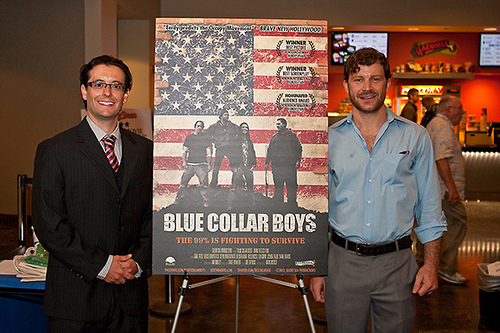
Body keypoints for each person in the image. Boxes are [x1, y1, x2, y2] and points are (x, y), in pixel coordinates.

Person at [310, 48, 447, 333]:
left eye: (375, 79)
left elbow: (431, 207)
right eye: (358, 79)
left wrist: (431, 265)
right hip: (342, 264)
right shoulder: (329, 140)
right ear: (346, 85)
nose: (367, 87)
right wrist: (317, 269)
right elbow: (319, 210)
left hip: (397, 265)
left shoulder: (415, 136)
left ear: (387, 82)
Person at [32, 55, 152, 332]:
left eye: (116, 86)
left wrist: (138, 262)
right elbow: (50, 224)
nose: (107, 92)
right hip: (75, 300)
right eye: (98, 84)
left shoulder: (146, 151)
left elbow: (153, 215)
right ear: (84, 91)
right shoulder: (55, 150)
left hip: (131, 299)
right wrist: (102, 265)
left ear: (126, 94)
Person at [426, 95, 467, 284]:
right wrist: (452, 189)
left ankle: (424, 263)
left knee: (433, 225)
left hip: (434, 189)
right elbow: (441, 159)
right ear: (448, 109)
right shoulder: (443, 128)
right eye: (459, 108)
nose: (462, 112)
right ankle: (446, 267)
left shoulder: (435, 125)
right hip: (444, 191)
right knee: (457, 223)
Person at [174, 120, 212, 207]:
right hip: (190, 164)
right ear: (195, 127)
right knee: (183, 183)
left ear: (203, 128)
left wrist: (209, 164)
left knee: (204, 185)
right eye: (198, 126)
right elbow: (184, 151)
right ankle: (178, 201)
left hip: (202, 165)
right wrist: (184, 162)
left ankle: (206, 203)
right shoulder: (189, 138)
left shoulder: (206, 138)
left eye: (201, 126)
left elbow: (209, 152)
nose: (199, 128)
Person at [265, 118, 302, 206]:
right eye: (276, 124)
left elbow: (298, 148)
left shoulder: (292, 136)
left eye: (279, 124)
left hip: (289, 166)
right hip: (277, 166)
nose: (277, 126)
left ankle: (292, 203)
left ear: (284, 125)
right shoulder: (274, 138)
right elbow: (270, 151)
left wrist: (298, 160)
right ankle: (279, 202)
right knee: (278, 184)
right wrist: (267, 162)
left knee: (291, 185)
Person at [206, 109, 241, 188]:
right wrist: (214, 141)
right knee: (216, 167)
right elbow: (206, 133)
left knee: (234, 167)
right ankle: (213, 185)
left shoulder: (233, 126)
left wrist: (234, 142)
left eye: (228, 115)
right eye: (225, 115)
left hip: (230, 149)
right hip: (220, 149)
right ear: (220, 116)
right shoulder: (215, 126)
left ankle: (235, 186)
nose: (227, 116)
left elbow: (240, 132)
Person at [237, 122, 257, 192]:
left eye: (246, 127)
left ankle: (250, 202)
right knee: (241, 186)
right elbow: (233, 154)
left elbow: (253, 153)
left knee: (250, 186)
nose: (244, 129)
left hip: (248, 166)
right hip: (240, 166)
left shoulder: (249, 142)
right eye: (243, 127)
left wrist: (254, 165)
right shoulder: (236, 141)